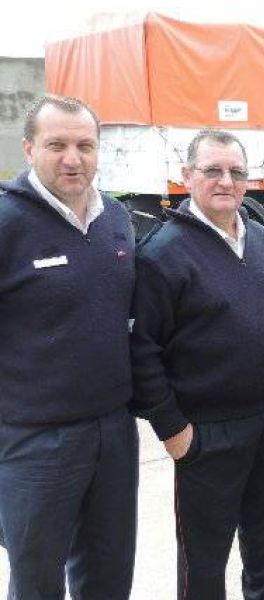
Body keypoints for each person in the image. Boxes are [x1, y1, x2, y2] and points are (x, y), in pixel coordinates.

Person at [130, 129, 264, 600]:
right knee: (205, 561)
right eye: (212, 170)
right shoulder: (162, 255)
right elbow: (143, 353)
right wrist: (175, 433)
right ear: (187, 176)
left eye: (236, 172)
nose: (225, 181)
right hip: (208, 435)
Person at [0, 94, 138, 599]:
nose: (73, 158)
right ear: (29, 148)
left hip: (114, 432)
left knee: (109, 573)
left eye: (84, 145)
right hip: (35, 441)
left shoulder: (117, 219)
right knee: (36, 581)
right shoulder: (7, 222)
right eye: (57, 145)